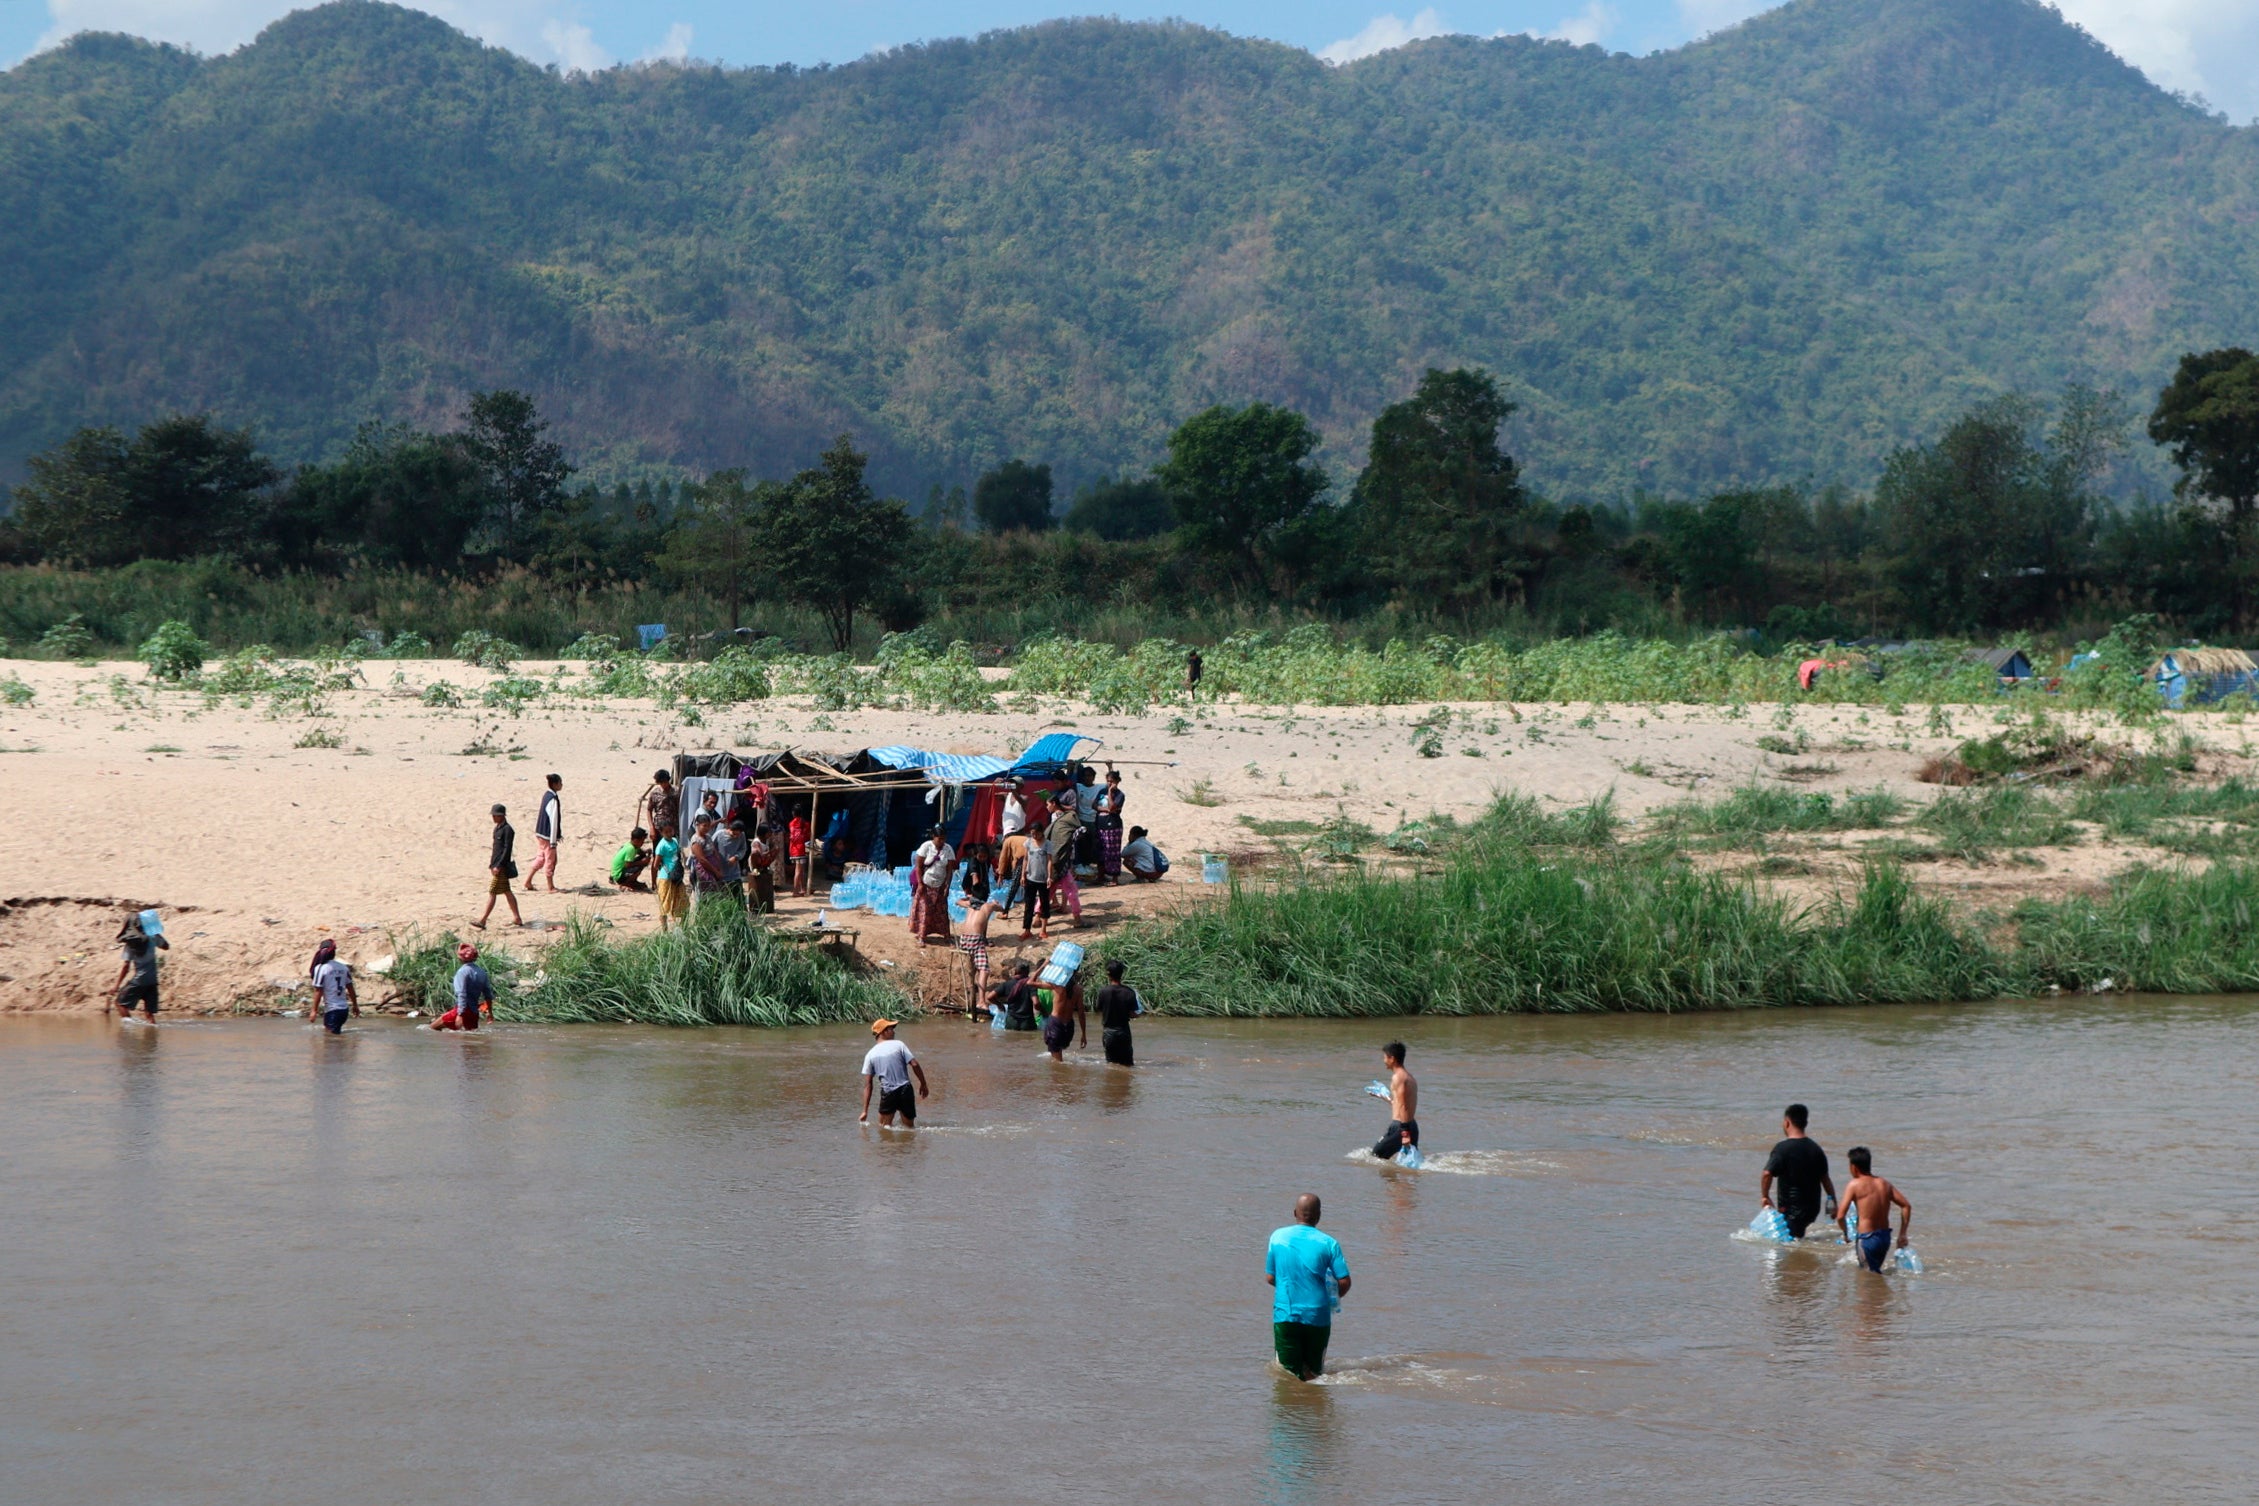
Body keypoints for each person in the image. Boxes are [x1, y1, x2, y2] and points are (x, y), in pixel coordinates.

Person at [1266, 1193, 1349, 1382]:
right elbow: (1344, 1281)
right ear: (1318, 1216)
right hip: (1317, 1316)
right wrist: (1330, 1301)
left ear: (1294, 1212)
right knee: (1315, 1375)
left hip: (1286, 1313)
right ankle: (1312, 1410)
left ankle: (1292, 1412)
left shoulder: (1277, 1237)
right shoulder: (1329, 1243)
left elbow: (1271, 1277)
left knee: (1288, 1375)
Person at [1760, 1103, 1838, 1240]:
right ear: (1805, 1123)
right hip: (1812, 1208)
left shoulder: (1782, 1149)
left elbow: (1767, 1174)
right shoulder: (1816, 1149)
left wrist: (1765, 1196)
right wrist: (1833, 1202)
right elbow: (1825, 1179)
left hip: (1791, 1208)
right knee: (1798, 1237)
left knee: (1789, 1243)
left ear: (1787, 1122)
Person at [1840, 1146, 1913, 1273]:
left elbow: (1840, 1215)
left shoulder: (1854, 1185)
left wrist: (1845, 1233)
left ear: (1854, 1167)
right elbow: (1906, 1206)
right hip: (1884, 1238)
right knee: (1874, 1273)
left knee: (1867, 1279)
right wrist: (1902, 1234)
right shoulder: (1884, 1184)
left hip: (1867, 1239)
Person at [859, 1018, 929, 1128]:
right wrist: (923, 1084)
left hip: (888, 1093)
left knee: (884, 1129)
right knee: (909, 1129)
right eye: (891, 1029)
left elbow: (868, 1085)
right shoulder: (899, 1045)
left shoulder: (870, 1055)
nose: (894, 1031)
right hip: (905, 1090)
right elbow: (914, 1064)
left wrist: (865, 1111)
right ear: (883, 1032)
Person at [110, 915, 168, 1020]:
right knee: (149, 1013)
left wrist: (116, 986)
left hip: (139, 980)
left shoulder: (131, 944)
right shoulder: (152, 937)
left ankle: (129, 1031)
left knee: (120, 1004)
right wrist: (155, 933)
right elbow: (166, 946)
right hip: (152, 980)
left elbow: (126, 966)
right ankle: (151, 1032)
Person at [473, 803, 521, 930]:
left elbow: (507, 850)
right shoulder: (497, 828)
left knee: (492, 892)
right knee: (507, 892)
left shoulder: (508, 830)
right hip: (496, 866)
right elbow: (496, 849)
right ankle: (517, 918)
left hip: (501, 868)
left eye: (495, 815)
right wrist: (492, 865)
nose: (493, 818)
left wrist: (499, 866)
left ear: (501, 816)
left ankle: (483, 920)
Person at [1371, 1041, 1418, 1162]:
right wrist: (1384, 1096)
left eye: (1385, 1057)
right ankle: (1399, 1181)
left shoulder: (1398, 1077)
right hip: (1411, 1125)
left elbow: (1403, 1106)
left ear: (1392, 1058)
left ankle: (1391, 1180)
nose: (1384, 1060)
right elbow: (1400, 1103)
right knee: (1408, 1163)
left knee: (1375, 1157)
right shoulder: (1409, 1077)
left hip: (1401, 1127)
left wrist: (1404, 1133)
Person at [910, 826, 956, 944]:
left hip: (940, 884)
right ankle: (922, 936)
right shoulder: (926, 847)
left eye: (943, 839)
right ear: (933, 837)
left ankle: (946, 936)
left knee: (941, 911)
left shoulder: (948, 849)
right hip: (926, 883)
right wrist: (920, 884)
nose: (941, 841)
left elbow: (949, 870)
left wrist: (947, 886)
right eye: (939, 839)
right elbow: (919, 867)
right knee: (925, 910)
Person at [956, 896, 1004, 1009]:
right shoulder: (988, 906)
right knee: (984, 970)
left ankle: (972, 988)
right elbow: (1002, 908)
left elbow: (957, 901)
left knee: (972, 964)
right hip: (975, 939)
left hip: (963, 938)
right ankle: (981, 1001)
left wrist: (968, 898)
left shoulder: (969, 905)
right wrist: (995, 903)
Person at [432, 943, 492, 1031]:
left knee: (432, 1028)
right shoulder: (482, 972)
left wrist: (460, 1014)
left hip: (462, 1010)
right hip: (474, 1012)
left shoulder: (462, 972)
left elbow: (461, 993)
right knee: (468, 1038)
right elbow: (488, 994)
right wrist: (489, 1012)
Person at [1093, 958, 1140, 1066]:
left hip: (1109, 1032)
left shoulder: (1103, 991)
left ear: (1108, 974)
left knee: (1111, 1064)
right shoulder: (1129, 992)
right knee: (1128, 1064)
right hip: (1123, 1032)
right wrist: (1139, 1015)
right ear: (1121, 974)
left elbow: (1099, 1009)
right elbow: (1132, 1014)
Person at [1046, 793, 1083, 926]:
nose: (1047, 807)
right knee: (1070, 889)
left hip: (1057, 858)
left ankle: (1039, 917)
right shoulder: (1068, 817)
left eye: (1048, 804)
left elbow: (1056, 838)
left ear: (1054, 804)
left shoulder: (1056, 817)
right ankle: (1071, 912)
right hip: (1065, 857)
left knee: (1051, 889)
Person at [310, 939, 357, 1033]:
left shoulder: (320, 968)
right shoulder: (343, 968)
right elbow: (350, 988)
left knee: (332, 1042)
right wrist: (355, 1005)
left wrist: (314, 1010)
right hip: (344, 1010)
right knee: (332, 1038)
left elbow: (318, 991)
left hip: (333, 1010)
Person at [528, 772, 563, 892]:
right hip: (548, 835)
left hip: (540, 833)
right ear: (555, 784)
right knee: (550, 860)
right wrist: (553, 841)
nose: (561, 785)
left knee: (541, 858)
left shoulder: (546, 795)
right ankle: (550, 886)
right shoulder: (552, 799)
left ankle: (528, 880)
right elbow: (553, 820)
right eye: (560, 783)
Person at [685, 812, 729, 906]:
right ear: (697, 825)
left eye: (708, 826)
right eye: (704, 826)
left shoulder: (708, 837)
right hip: (704, 871)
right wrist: (715, 872)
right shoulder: (696, 840)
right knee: (706, 895)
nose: (707, 828)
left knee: (717, 894)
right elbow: (702, 860)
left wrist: (719, 868)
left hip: (713, 867)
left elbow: (714, 852)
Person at [1042, 968, 1085, 1061]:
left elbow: (1030, 982)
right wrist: (1083, 1034)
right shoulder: (1079, 989)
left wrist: (1044, 965)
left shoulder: (1057, 987)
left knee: (1057, 1062)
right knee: (1059, 1056)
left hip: (1055, 1024)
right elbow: (1081, 1013)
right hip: (1069, 1026)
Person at [1017, 832, 1052, 940]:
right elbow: (1025, 859)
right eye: (1032, 834)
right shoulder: (1028, 842)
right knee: (1029, 905)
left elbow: (1050, 861)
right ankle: (1027, 930)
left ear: (1041, 832)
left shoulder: (1047, 844)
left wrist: (1049, 876)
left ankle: (1043, 930)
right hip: (1030, 878)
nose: (1034, 836)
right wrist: (1023, 875)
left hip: (1043, 879)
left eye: (1036, 833)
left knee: (1044, 904)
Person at [653, 824, 688, 931]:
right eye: (666, 832)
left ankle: (683, 927)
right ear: (662, 833)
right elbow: (655, 864)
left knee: (683, 900)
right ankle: (665, 930)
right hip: (665, 877)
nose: (669, 834)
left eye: (670, 831)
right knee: (665, 904)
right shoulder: (661, 846)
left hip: (677, 876)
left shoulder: (675, 841)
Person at [1095, 768, 1126, 883]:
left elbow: (1113, 808)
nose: (1109, 783)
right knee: (1101, 852)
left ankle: (1114, 878)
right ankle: (1100, 876)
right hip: (1100, 824)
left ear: (1117, 781)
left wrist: (1109, 793)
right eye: (1108, 781)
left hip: (1113, 826)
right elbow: (1094, 805)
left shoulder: (1119, 795)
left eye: (1111, 781)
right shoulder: (1101, 792)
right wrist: (1106, 809)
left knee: (1112, 852)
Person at [996, 960, 1040, 1031]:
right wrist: (1043, 1012)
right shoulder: (1030, 985)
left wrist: (999, 1005)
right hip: (1027, 1022)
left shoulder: (1007, 984)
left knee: (1011, 1040)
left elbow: (990, 997)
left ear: (1016, 971)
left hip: (1011, 1021)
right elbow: (1036, 1003)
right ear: (1027, 972)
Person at [640, 769, 678, 849]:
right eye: (661, 783)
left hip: (672, 826)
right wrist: (651, 827)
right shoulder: (655, 793)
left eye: (665, 782)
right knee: (658, 850)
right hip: (659, 826)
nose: (664, 784)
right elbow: (649, 810)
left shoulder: (676, 791)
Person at [746, 822, 777, 915]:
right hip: (756, 862)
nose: (770, 834)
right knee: (755, 853)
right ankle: (756, 869)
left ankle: (765, 868)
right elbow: (759, 854)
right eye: (768, 832)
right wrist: (770, 852)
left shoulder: (766, 841)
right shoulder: (756, 842)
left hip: (764, 863)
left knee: (777, 850)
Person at [998, 779, 1029, 844]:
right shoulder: (1006, 796)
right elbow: (991, 796)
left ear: (1021, 786)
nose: (1012, 784)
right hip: (1007, 833)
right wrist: (995, 784)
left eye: (1015, 783)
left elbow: (1021, 801)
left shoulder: (1025, 798)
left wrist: (1012, 790)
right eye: (1011, 783)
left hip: (1018, 833)